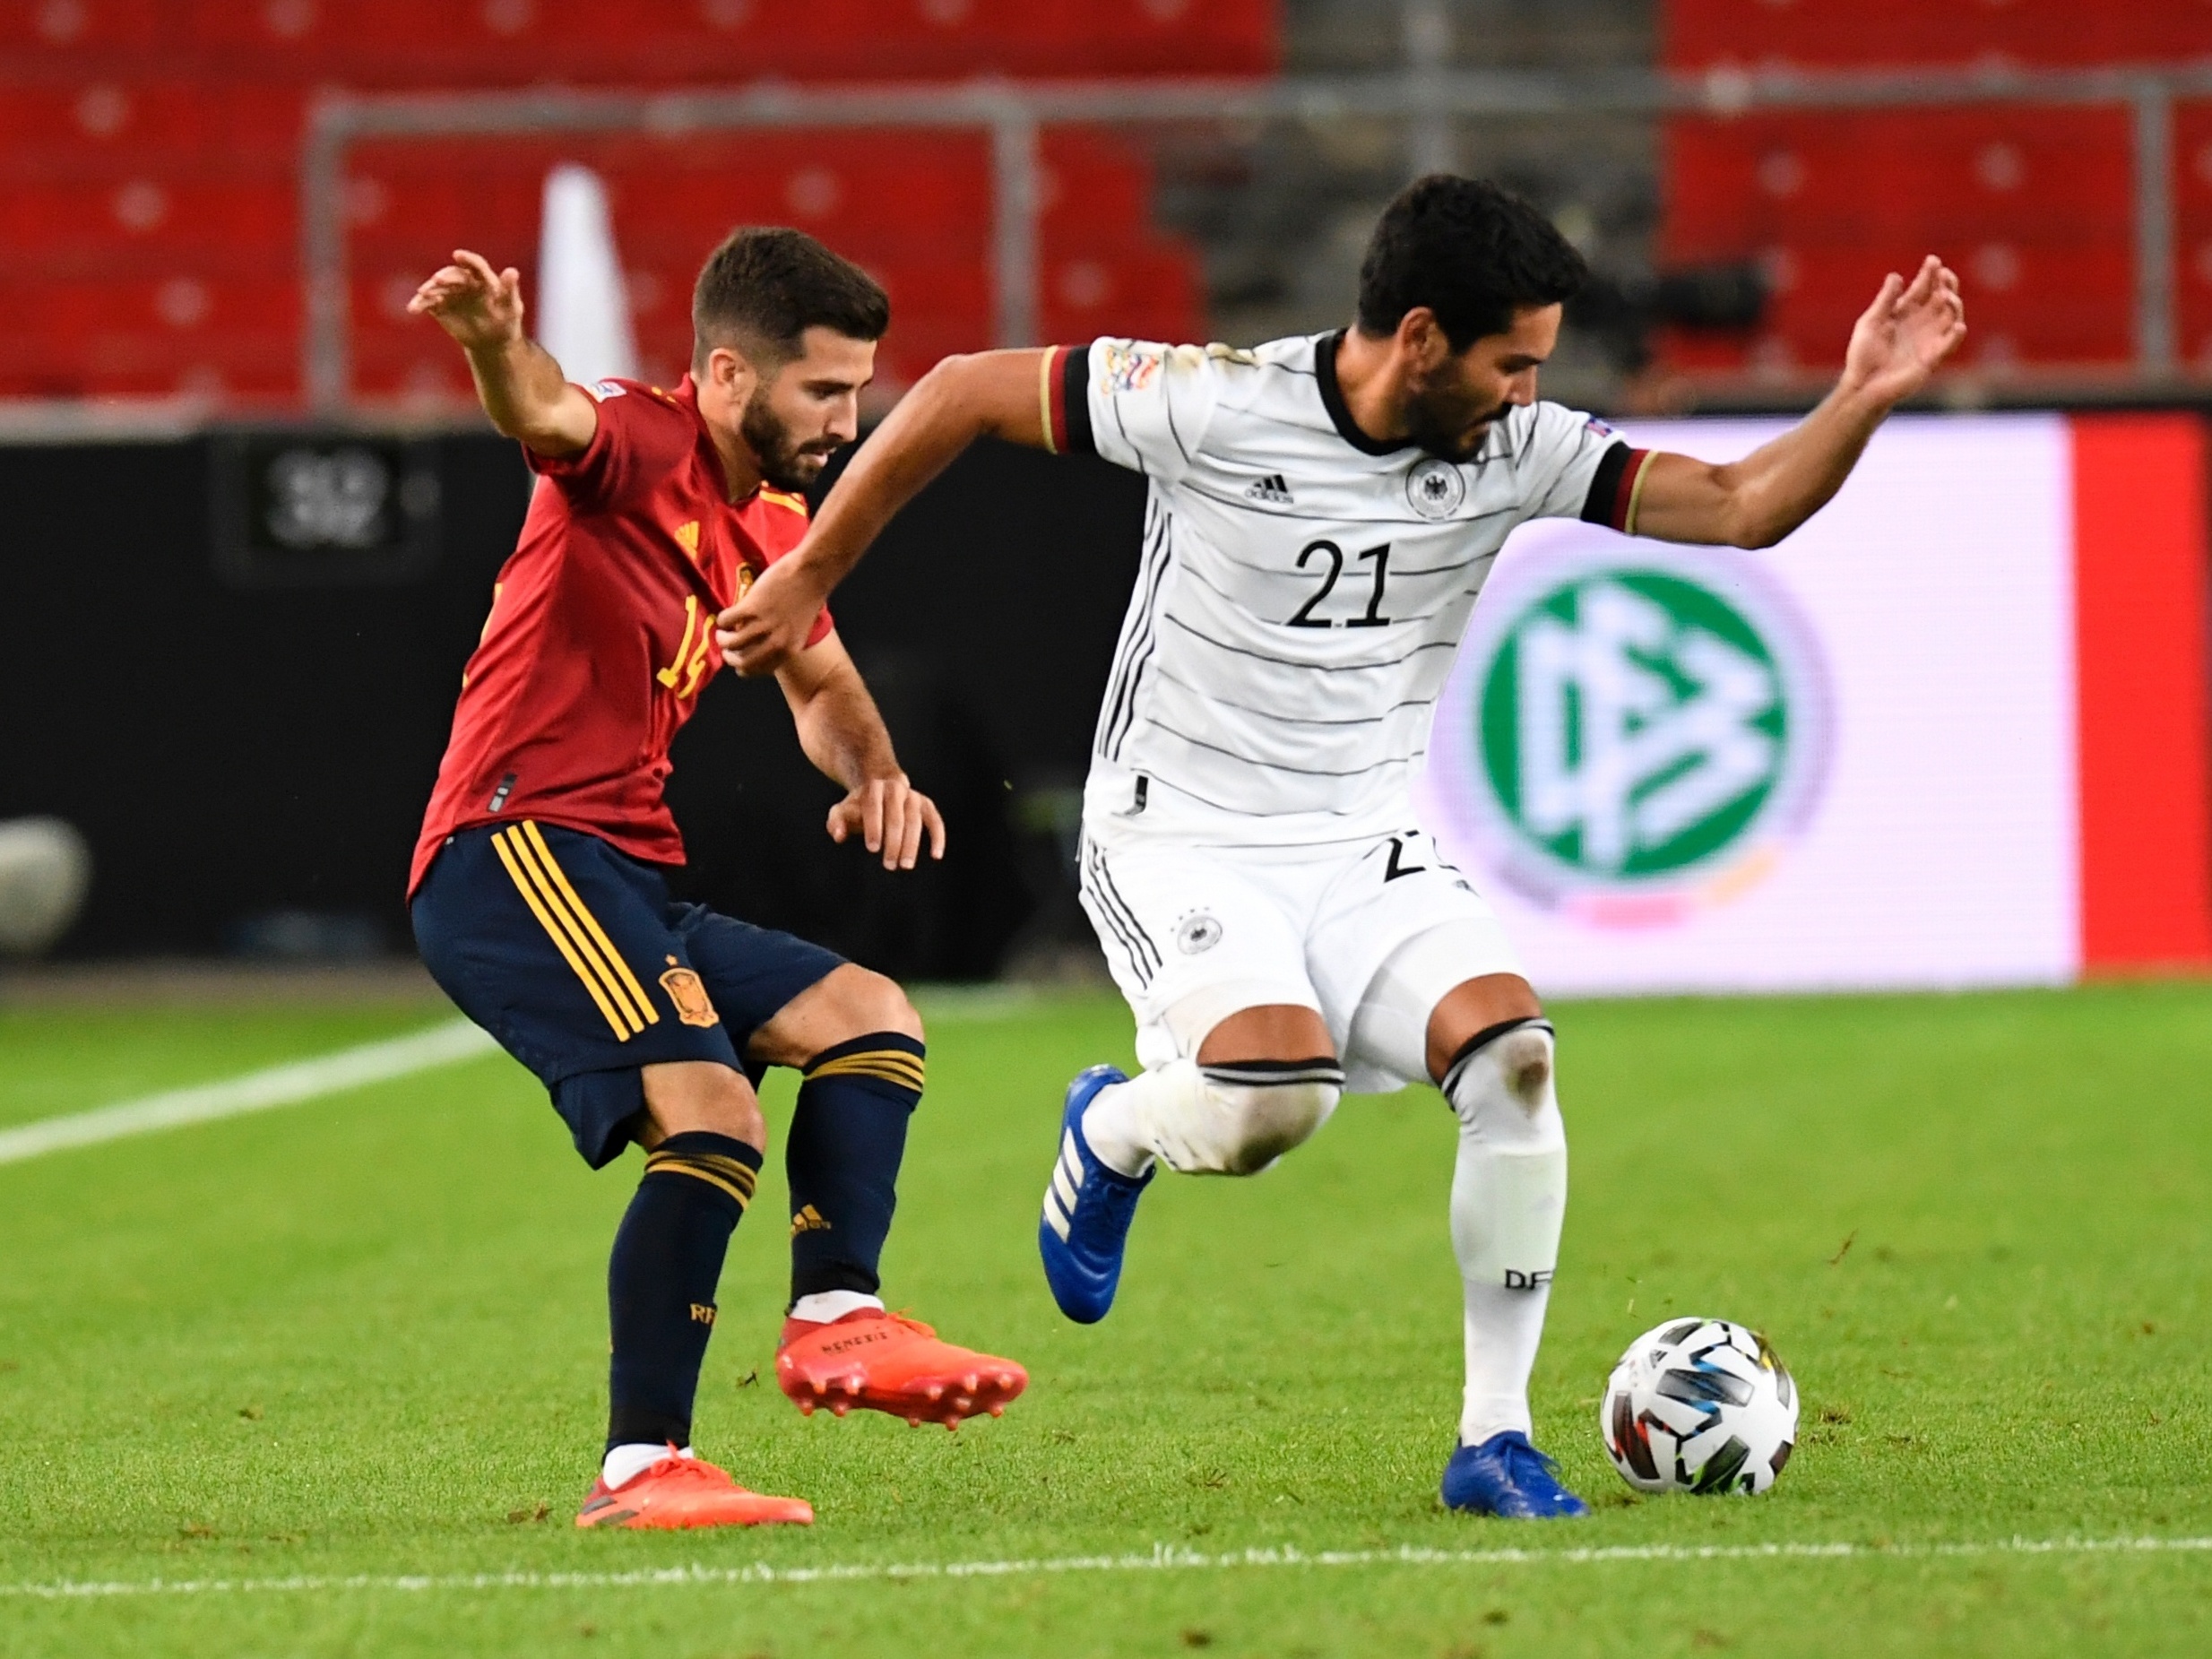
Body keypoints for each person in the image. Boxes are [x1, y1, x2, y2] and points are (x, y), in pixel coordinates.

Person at [715, 177, 1965, 1518]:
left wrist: (1864, 397)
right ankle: (1119, 1128)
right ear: (1421, 338)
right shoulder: (1210, 400)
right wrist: (812, 571)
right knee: (1274, 1103)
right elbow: (961, 388)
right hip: (1179, 834)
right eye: (1511, 360)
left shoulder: (1519, 447)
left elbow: (1738, 505)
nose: (1525, 391)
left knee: (1517, 1061)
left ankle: (1494, 1439)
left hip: (1367, 838)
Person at [405, 226, 1027, 1532]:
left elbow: (820, 679)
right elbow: (542, 405)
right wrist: (486, 342)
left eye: (860, 390)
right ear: (732, 377)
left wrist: (871, 770)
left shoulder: (778, 520)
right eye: (826, 390)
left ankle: (836, 1320)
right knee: (714, 1113)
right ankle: (642, 1469)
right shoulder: (636, 442)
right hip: (511, 848)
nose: (849, 420)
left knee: (871, 1018)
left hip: (621, 868)